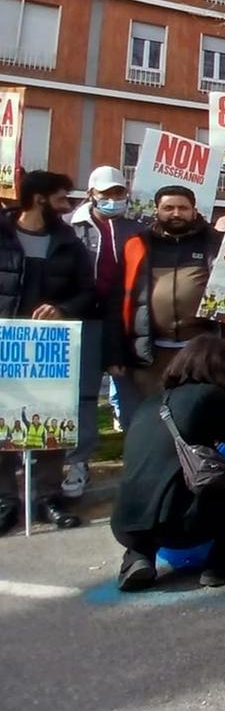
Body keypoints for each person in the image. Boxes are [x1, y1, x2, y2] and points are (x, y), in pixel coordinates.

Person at [109, 335, 225, 591]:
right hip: (181, 525)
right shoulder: (208, 398)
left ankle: (138, 556)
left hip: (125, 524)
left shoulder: (149, 404)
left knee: (161, 483)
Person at [0, 171, 95, 534]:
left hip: (51, 347)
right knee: (5, 421)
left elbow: (88, 292)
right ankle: (6, 499)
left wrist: (63, 309)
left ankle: (47, 497)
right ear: (39, 199)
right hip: (6, 343)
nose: (68, 206)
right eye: (61, 198)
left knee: (50, 422)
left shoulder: (68, 242)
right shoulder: (3, 236)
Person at [118, 187, 225, 427]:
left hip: (203, 353)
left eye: (182, 208)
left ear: (194, 211)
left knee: (204, 420)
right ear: (156, 210)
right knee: (154, 421)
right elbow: (119, 297)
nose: (176, 213)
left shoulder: (216, 243)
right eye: (169, 208)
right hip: (152, 354)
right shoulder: (137, 245)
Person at [64, 165, 144, 499]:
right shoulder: (70, 228)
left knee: (131, 392)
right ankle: (78, 462)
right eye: (106, 194)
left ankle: (138, 459)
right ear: (91, 194)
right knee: (83, 396)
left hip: (124, 320)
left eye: (119, 193)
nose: (113, 199)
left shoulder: (136, 229)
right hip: (82, 320)